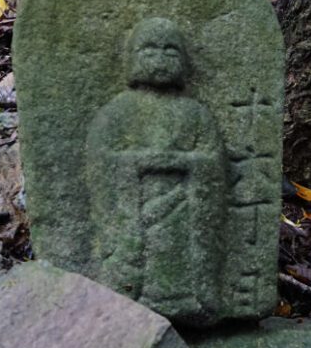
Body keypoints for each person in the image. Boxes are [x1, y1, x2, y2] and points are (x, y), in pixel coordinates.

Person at [84, 17, 227, 323]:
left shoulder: (196, 115)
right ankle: (129, 295)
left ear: (184, 62)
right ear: (132, 58)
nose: (160, 60)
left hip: (184, 218)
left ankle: (192, 300)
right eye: (149, 51)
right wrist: (142, 163)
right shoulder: (117, 113)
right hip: (136, 216)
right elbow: (102, 164)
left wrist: (182, 164)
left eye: (170, 51)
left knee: (180, 261)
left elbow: (213, 164)